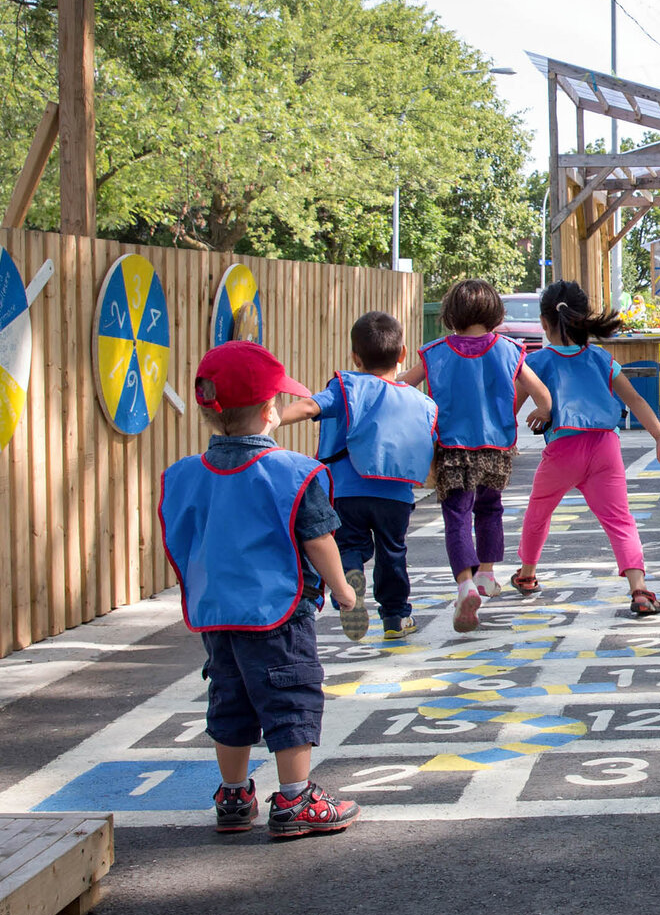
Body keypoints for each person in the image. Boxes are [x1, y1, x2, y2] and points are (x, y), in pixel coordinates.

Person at [158, 342, 362, 840]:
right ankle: (294, 799)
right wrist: (343, 589)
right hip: (278, 612)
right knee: (290, 695)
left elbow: (182, 536)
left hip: (218, 614)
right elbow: (318, 538)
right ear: (271, 410)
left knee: (229, 698)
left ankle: (233, 794)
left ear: (208, 411)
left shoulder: (185, 475)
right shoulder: (292, 472)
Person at [514, 280, 660, 618]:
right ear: (582, 317)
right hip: (605, 448)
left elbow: (510, 407)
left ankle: (527, 574)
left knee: (538, 512)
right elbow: (635, 399)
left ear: (543, 322)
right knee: (620, 521)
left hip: (563, 450)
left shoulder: (536, 362)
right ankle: (639, 589)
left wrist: (501, 442)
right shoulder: (602, 358)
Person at [278, 311, 438, 639]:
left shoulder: (347, 388)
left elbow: (309, 407)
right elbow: (430, 444)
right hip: (395, 494)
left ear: (355, 357)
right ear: (402, 354)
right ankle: (395, 618)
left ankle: (351, 580)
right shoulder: (421, 402)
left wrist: (271, 419)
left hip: (347, 491)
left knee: (349, 544)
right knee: (393, 552)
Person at [406, 277, 552, 633]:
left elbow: (401, 386)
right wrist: (543, 411)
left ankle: (465, 585)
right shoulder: (509, 350)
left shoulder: (435, 352)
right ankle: (486, 572)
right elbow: (541, 393)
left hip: (453, 448)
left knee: (457, 516)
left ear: (450, 314)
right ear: (496, 313)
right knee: (490, 509)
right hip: (496, 447)